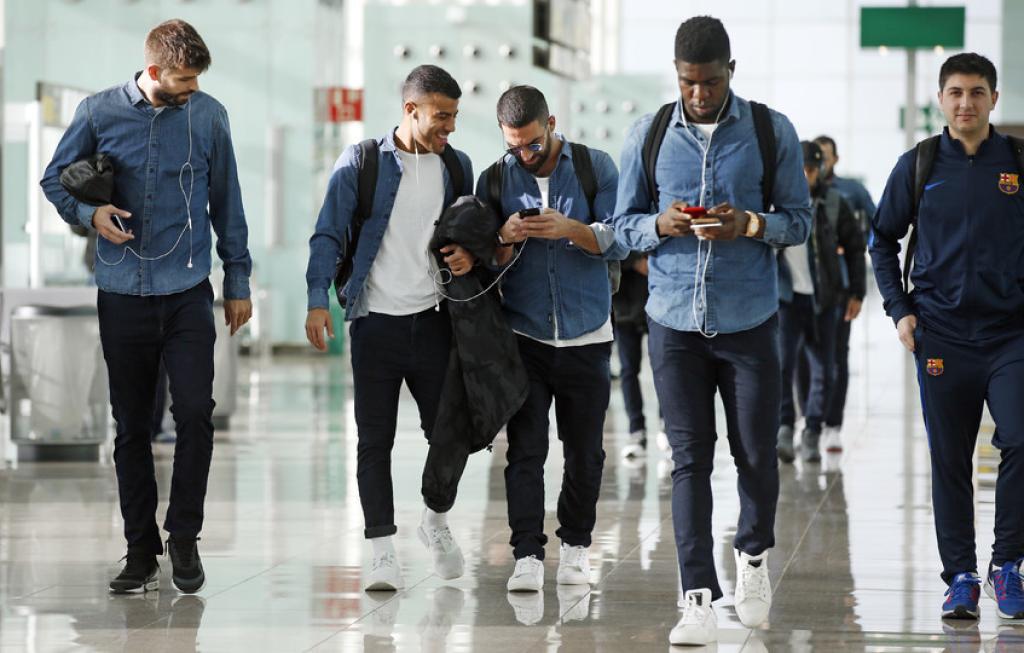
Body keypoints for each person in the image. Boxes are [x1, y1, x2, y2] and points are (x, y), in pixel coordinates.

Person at [613, 16, 811, 646]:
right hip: (673, 322)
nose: (698, 93)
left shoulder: (769, 130)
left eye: (709, 80)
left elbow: (799, 221)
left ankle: (753, 559)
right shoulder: (646, 135)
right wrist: (662, 225)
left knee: (755, 453)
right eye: (688, 82)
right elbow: (620, 226)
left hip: (749, 320)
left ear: (732, 69)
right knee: (688, 460)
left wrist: (750, 225)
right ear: (676, 75)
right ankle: (697, 594)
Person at [40, 19, 253, 595]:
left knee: (195, 414)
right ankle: (140, 550)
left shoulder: (209, 116)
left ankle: (184, 536)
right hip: (122, 291)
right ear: (154, 70)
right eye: (183, 79)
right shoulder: (96, 112)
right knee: (132, 426)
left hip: (187, 291)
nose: (192, 89)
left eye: (196, 79)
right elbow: (53, 181)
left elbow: (227, 199)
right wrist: (90, 216)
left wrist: (238, 279)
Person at [304, 64, 475, 592]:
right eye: (441, 116)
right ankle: (380, 550)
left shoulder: (456, 165)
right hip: (375, 323)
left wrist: (469, 253)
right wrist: (317, 303)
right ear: (411, 109)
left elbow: (468, 227)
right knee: (373, 441)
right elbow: (328, 233)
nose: (449, 127)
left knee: (449, 436)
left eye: (454, 117)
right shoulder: (364, 162)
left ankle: (436, 520)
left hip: (435, 319)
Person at [870, 52, 1024, 622]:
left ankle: (1007, 563)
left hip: (1011, 335)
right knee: (950, 459)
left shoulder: (1016, 162)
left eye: (977, 92)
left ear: (993, 99)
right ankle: (960, 576)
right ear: (941, 99)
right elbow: (882, 239)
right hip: (942, 337)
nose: (966, 103)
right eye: (956, 92)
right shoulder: (919, 164)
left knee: (1022, 439)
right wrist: (900, 310)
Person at [479, 84, 627, 594]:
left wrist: (571, 228)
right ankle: (525, 552)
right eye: (514, 146)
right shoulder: (495, 178)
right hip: (523, 335)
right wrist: (504, 237)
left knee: (585, 451)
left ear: (552, 123)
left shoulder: (595, 166)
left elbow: (619, 238)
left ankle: (577, 547)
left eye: (533, 144)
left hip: (588, 335)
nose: (525, 154)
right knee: (525, 449)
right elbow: (480, 259)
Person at [776, 141, 865, 464]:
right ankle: (785, 427)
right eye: (799, 170)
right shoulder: (777, 206)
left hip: (826, 300)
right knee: (783, 366)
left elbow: (856, 248)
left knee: (823, 368)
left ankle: (812, 430)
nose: (805, 176)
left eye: (811, 170)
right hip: (786, 300)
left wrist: (857, 292)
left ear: (820, 171)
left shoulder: (834, 203)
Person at [812, 134, 875, 451]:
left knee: (836, 357)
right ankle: (809, 420)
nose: (819, 164)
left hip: (841, 288)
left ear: (835, 159)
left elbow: (879, 229)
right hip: (806, 292)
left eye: (824, 157)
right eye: (814, 158)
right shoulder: (794, 194)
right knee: (805, 360)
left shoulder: (851, 191)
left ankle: (833, 424)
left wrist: (858, 288)